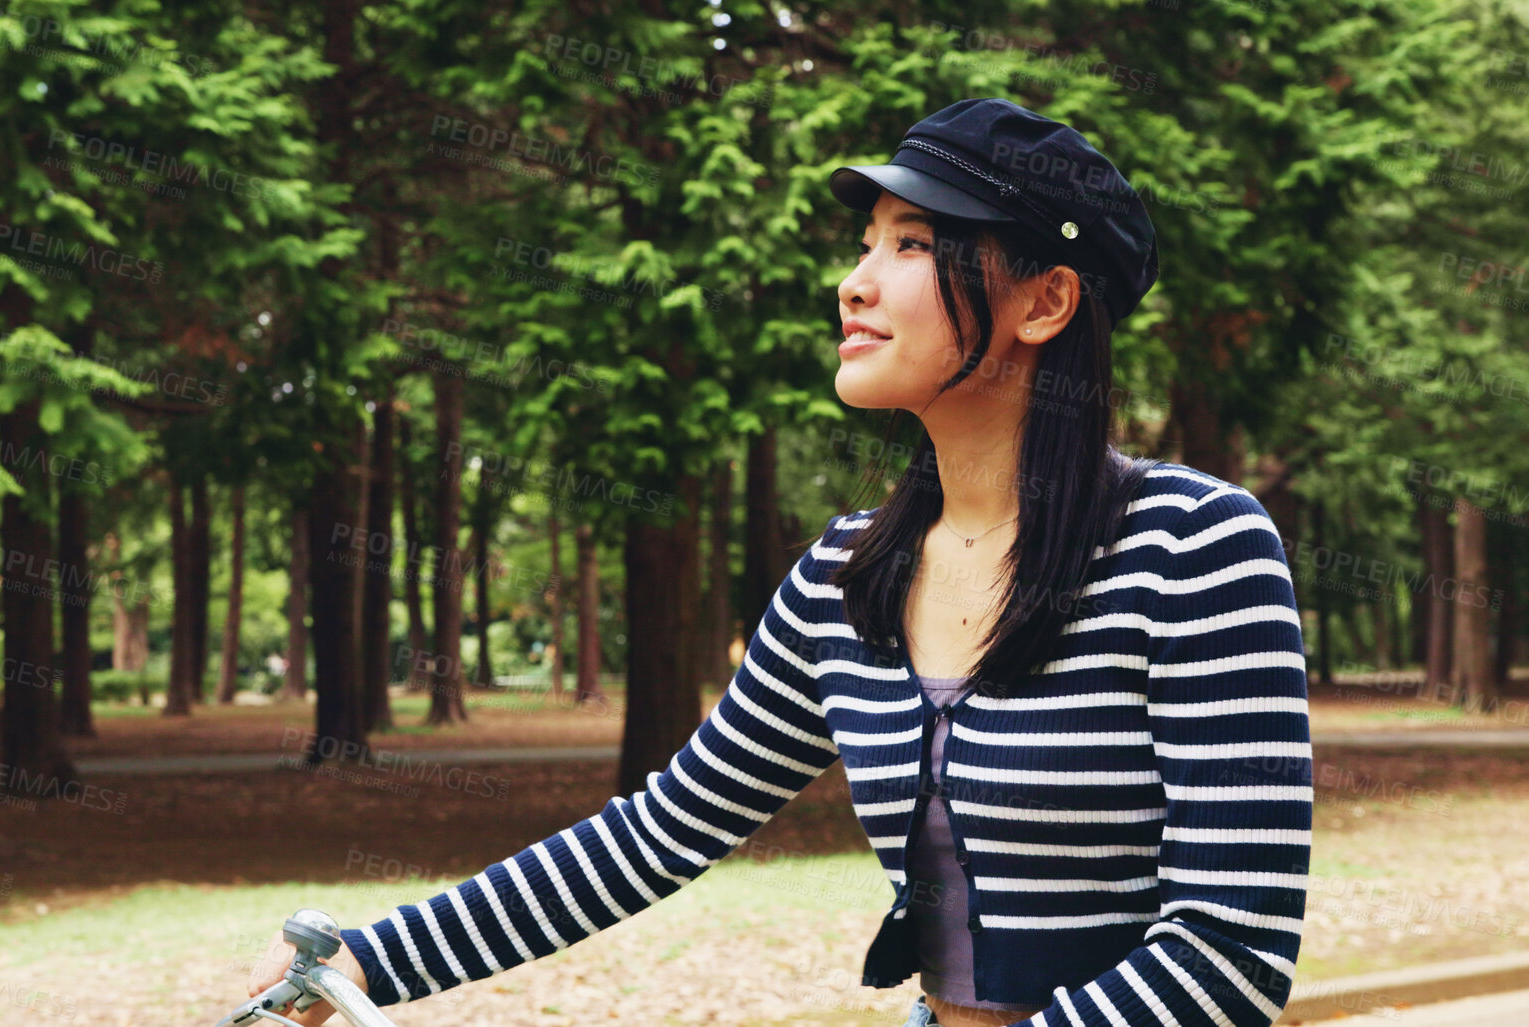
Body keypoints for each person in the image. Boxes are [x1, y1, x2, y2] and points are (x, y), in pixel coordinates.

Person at [249, 98, 1311, 1027]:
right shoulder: (848, 579)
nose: (855, 283)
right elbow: (659, 831)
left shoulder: (1190, 548)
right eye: (867, 241)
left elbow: (1233, 944)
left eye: (912, 243)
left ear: (1046, 301)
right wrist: (366, 959)